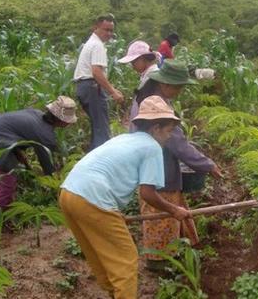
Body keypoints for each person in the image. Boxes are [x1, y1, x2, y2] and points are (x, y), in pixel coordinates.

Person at [59, 96, 191, 299]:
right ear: (156, 128)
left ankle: (114, 293)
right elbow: (147, 193)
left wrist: (113, 215)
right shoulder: (152, 147)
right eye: (168, 131)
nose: (169, 137)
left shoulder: (124, 138)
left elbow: (110, 174)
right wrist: (174, 210)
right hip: (93, 198)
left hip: (69, 193)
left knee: (98, 254)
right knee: (126, 259)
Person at [133, 59, 223, 268]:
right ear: (166, 85)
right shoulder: (156, 106)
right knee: (160, 216)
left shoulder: (153, 97)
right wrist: (208, 165)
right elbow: (178, 144)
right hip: (159, 171)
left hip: (160, 166)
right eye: (180, 87)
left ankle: (170, 254)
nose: (181, 91)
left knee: (165, 213)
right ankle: (159, 261)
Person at [0, 96, 77, 223]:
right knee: (6, 187)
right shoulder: (46, 135)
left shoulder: (36, 114)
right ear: (63, 121)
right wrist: (57, 187)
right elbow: (48, 167)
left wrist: (19, 154)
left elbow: (13, 131)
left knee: (3, 180)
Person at [73, 14, 124, 151]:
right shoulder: (97, 45)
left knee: (98, 128)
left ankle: (93, 159)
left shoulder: (91, 43)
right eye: (106, 29)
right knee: (102, 130)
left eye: (111, 30)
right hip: (92, 88)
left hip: (84, 87)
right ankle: (102, 163)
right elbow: (96, 72)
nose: (109, 33)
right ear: (96, 27)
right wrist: (112, 91)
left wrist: (111, 89)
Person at [117, 40, 161, 132]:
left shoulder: (152, 78)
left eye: (133, 62)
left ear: (143, 58)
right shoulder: (147, 76)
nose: (132, 65)